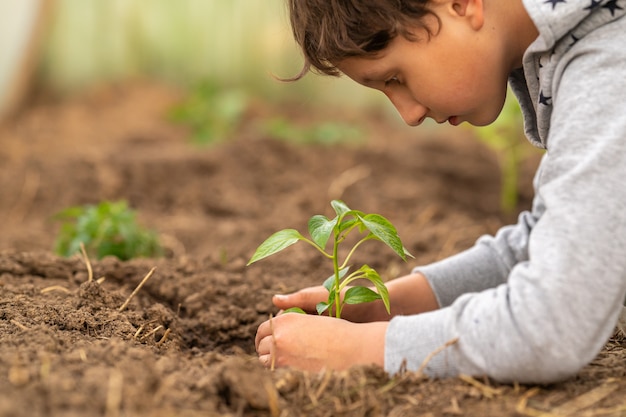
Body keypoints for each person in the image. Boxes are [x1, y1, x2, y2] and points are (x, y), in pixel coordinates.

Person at [254, 0, 626, 383]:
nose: (409, 115)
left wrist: (360, 349)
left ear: (461, 5)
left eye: (395, 77)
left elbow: (551, 324)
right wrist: (392, 306)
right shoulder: (581, 40)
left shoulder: (607, 68)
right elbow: (549, 243)